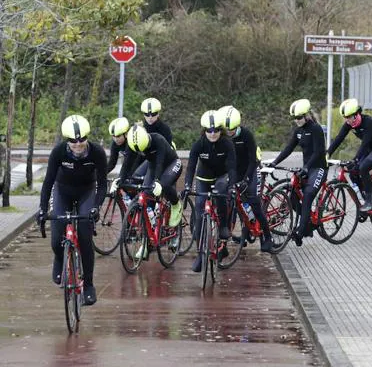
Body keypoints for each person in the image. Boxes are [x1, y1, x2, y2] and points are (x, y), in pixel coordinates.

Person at [37, 114, 107, 306]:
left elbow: (102, 184)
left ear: (87, 137)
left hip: (86, 192)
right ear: (66, 140)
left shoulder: (97, 153)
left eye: (82, 139)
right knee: (56, 235)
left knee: (85, 238)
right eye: (73, 141)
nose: (78, 144)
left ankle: (89, 285)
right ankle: (59, 259)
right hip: (63, 191)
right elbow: (48, 182)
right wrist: (42, 209)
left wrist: (96, 207)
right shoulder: (59, 152)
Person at [112, 124, 183, 259]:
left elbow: (160, 163)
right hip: (152, 165)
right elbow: (126, 165)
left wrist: (157, 181)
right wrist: (119, 180)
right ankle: (147, 243)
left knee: (165, 185)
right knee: (145, 199)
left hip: (171, 164)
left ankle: (175, 205)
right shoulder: (133, 145)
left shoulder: (158, 140)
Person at [267, 98, 327, 247]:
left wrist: (306, 167)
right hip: (307, 168)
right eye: (295, 118)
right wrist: (275, 162)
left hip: (318, 168)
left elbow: (319, 152)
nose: (297, 120)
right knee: (293, 197)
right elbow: (289, 148)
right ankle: (307, 222)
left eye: (299, 117)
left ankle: (300, 232)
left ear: (306, 115)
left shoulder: (316, 129)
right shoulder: (298, 131)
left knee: (307, 196)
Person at [184, 110, 237, 272]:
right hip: (204, 177)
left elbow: (232, 168)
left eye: (216, 131)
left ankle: (223, 227)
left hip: (222, 176)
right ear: (204, 131)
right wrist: (187, 186)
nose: (212, 134)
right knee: (200, 209)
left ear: (221, 130)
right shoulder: (199, 144)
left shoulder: (227, 144)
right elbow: (191, 166)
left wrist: (232, 186)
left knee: (221, 191)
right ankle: (201, 254)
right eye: (209, 131)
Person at [218, 105, 274, 253]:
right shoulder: (223, 137)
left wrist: (247, 180)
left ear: (238, 125)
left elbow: (253, 160)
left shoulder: (247, 135)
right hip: (234, 171)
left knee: (254, 203)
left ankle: (267, 236)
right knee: (231, 200)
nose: (229, 133)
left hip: (250, 170)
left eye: (232, 130)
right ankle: (239, 232)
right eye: (226, 130)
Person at [327, 98, 372, 212]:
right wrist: (327, 153)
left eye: (348, 117)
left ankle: (368, 201)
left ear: (356, 114)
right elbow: (339, 139)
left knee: (363, 167)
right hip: (370, 149)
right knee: (353, 171)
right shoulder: (349, 124)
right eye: (345, 118)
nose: (347, 120)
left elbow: (365, 144)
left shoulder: (369, 122)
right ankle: (366, 196)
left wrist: (355, 159)